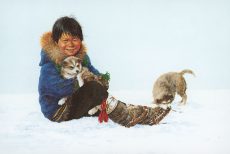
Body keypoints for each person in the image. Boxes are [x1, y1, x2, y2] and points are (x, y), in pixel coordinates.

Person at [38, 16, 171, 127]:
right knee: (94, 90)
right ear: (56, 42)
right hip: (58, 110)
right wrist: (88, 84)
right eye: (65, 40)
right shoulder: (50, 64)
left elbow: (91, 70)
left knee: (105, 103)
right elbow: (58, 88)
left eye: (75, 39)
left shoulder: (81, 57)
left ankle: (141, 115)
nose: (71, 44)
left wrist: (100, 78)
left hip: (76, 102)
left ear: (81, 39)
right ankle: (127, 116)